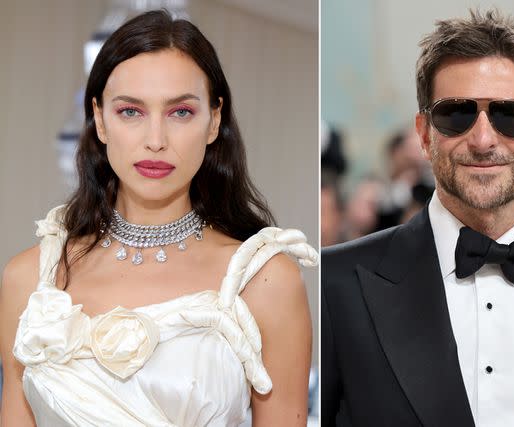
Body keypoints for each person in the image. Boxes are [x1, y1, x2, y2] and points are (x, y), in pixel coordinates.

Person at [322, 9, 514, 427]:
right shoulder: (335, 285)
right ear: (424, 135)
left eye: (511, 115)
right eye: (457, 114)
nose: (483, 139)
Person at [0, 10, 317, 427]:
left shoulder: (265, 283)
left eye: (180, 112)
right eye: (131, 111)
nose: (155, 141)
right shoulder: (31, 280)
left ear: (213, 120)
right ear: (99, 119)